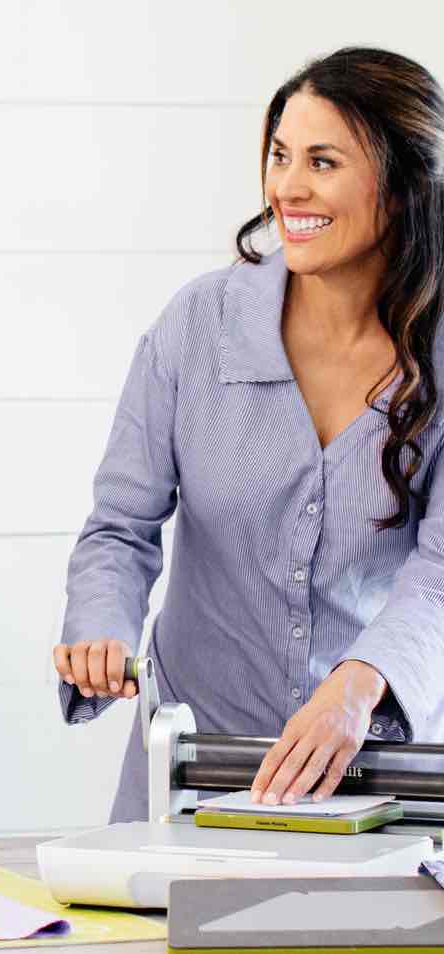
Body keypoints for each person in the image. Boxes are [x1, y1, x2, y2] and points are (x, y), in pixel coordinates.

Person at [53, 47, 444, 823]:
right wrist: (100, 625)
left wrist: (359, 684)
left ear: (400, 190)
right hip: (196, 772)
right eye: (279, 155)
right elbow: (121, 527)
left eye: (323, 162)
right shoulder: (199, 325)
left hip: (378, 770)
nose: (287, 187)